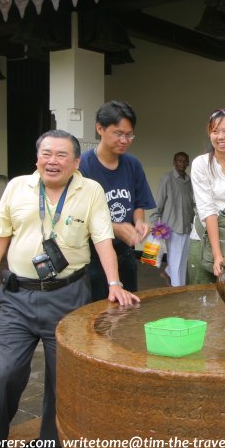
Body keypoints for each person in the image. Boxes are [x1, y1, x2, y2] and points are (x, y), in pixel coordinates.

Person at [0, 130, 140, 448]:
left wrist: (115, 284)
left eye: (61, 155)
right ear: (37, 158)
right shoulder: (17, 187)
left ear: (76, 163)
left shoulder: (90, 191)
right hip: (18, 298)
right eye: (46, 153)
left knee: (62, 384)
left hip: (68, 298)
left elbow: (103, 240)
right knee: (3, 376)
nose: (52, 161)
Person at [79, 100, 155, 301]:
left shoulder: (132, 165)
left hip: (125, 254)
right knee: (96, 316)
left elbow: (138, 202)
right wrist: (115, 228)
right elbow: (79, 216)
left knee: (127, 311)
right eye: (118, 133)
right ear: (100, 129)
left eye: (129, 135)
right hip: (92, 258)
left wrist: (139, 222)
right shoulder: (83, 167)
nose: (124, 140)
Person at [188, 108, 225, 284]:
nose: (220, 137)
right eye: (215, 131)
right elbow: (207, 210)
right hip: (204, 241)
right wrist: (218, 255)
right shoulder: (201, 164)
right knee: (201, 303)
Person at [153, 151, 195, 287]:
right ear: (174, 162)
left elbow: (192, 203)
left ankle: (172, 278)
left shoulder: (189, 181)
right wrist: (156, 223)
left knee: (183, 262)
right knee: (176, 261)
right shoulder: (167, 178)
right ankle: (177, 291)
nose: (182, 164)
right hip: (171, 227)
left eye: (184, 161)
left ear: (188, 163)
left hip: (187, 227)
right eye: (179, 161)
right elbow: (158, 202)